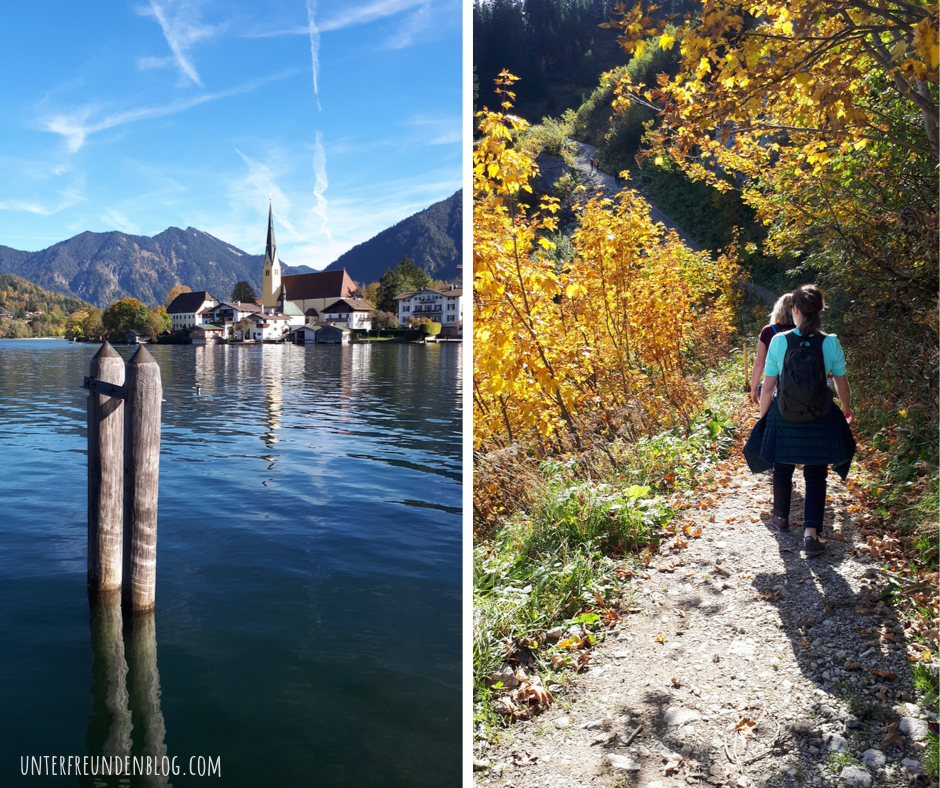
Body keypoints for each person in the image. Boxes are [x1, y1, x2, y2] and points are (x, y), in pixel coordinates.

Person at [743, 284, 856, 557]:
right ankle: (811, 535)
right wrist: (846, 409)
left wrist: (765, 420)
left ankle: (781, 519)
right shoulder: (831, 342)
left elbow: (768, 388)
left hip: (784, 415)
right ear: (819, 311)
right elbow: (843, 386)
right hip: (821, 416)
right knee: (816, 473)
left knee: (782, 468)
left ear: (795, 310)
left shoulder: (780, 341)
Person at [750, 293, 795, 404]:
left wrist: (754, 388)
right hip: (799, 382)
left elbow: (759, 363)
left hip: (774, 384)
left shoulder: (768, 330)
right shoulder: (803, 330)